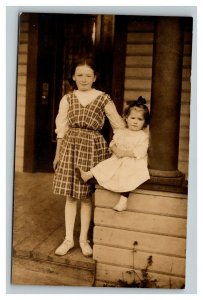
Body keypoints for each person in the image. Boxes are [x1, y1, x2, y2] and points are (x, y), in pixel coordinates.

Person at [53, 57, 125, 257]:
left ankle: (84, 240)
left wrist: (119, 146)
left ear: (95, 78)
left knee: (85, 197)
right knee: (70, 195)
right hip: (71, 146)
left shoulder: (103, 98)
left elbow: (117, 124)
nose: (83, 79)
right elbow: (62, 128)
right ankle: (68, 240)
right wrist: (58, 154)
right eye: (79, 75)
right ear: (73, 77)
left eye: (88, 75)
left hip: (93, 147)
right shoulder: (67, 98)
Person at [79, 96, 150, 212]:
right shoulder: (121, 132)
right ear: (126, 118)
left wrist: (124, 153)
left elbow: (140, 151)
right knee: (106, 164)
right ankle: (88, 175)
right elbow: (113, 143)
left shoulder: (142, 136)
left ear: (145, 122)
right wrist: (115, 149)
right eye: (132, 118)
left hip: (133, 160)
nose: (135, 122)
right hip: (118, 157)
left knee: (128, 173)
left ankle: (123, 200)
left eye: (140, 119)